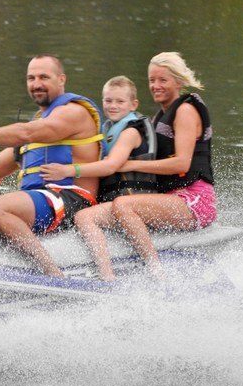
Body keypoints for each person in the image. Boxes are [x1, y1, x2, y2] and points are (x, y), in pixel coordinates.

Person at [0, 54, 104, 277]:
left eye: (43, 77)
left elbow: (26, 132)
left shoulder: (74, 113)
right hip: (42, 199)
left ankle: (52, 276)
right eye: (31, 78)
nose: (36, 84)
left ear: (61, 79)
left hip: (71, 199)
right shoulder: (37, 124)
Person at [39, 75, 157, 281]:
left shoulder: (131, 131)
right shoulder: (107, 130)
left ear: (133, 104)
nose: (113, 106)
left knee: (84, 217)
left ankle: (107, 276)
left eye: (120, 101)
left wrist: (67, 170)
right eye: (108, 100)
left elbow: (111, 165)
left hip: (133, 202)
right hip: (116, 201)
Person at [110, 52, 216, 276]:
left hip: (194, 201)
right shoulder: (159, 117)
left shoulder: (186, 111)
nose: (155, 85)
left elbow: (181, 165)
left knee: (124, 205)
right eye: (151, 80)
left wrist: (130, 165)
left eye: (162, 80)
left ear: (178, 82)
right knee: (101, 211)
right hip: (171, 198)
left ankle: (155, 271)